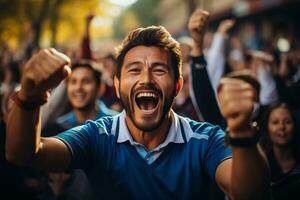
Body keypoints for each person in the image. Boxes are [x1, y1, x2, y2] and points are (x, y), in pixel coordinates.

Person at [6, 25, 270, 199]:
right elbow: (25, 153)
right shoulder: (97, 136)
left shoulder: (205, 140)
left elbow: (250, 194)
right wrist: (28, 98)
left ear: (177, 85)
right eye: (134, 70)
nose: (146, 79)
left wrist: (242, 131)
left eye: (159, 69)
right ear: (117, 85)